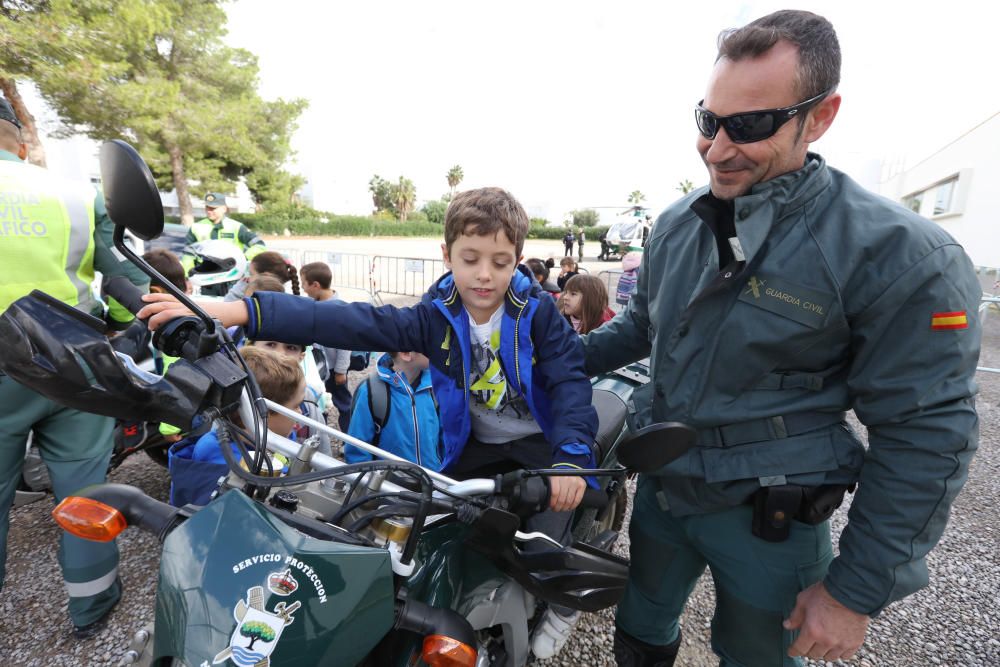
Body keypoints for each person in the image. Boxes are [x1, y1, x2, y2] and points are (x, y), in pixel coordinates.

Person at [582, 11, 981, 666]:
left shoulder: (899, 255)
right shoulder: (678, 223)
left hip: (767, 521)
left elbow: (926, 433)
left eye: (749, 125)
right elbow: (639, 328)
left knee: (759, 655)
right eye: (708, 120)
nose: (715, 148)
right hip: (664, 491)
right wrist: (530, 359)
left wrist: (853, 592)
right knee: (641, 624)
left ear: (819, 117)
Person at [140, 186, 599, 660]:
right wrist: (236, 311)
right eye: (470, 258)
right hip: (476, 441)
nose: (484, 274)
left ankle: (562, 607)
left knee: (543, 543)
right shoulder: (433, 316)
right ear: (447, 255)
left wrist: (569, 459)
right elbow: (349, 321)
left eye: (501, 262)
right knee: (446, 530)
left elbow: (569, 384)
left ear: (518, 259)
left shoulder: (540, 314)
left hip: (542, 442)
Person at [0, 96, 150, 639]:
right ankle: (92, 607)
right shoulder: (75, 194)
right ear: (18, 139)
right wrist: (124, 328)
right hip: (73, 362)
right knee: (85, 492)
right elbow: (117, 278)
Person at [168, 346, 307, 506]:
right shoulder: (222, 462)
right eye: (296, 405)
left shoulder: (274, 437)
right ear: (264, 412)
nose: (301, 412)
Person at [345, 351, 442, 471]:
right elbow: (357, 451)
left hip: (434, 481)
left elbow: (445, 438)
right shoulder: (371, 391)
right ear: (406, 353)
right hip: (390, 485)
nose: (437, 348)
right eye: (427, 344)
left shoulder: (436, 385)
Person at [300, 261, 354, 432]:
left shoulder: (338, 309)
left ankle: (352, 440)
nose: (302, 288)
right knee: (319, 404)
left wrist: (340, 370)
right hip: (318, 371)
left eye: (304, 283)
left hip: (333, 371)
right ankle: (319, 439)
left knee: (344, 405)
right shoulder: (313, 305)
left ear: (315, 285)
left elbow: (345, 344)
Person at [184, 192, 266, 296]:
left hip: (231, 280)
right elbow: (188, 255)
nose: (209, 211)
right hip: (206, 280)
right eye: (207, 207)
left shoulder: (236, 227)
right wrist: (188, 277)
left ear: (224, 208)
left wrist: (242, 258)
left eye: (213, 208)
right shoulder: (196, 227)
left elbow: (260, 245)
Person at [225, 250, 300, 301]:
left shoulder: (252, 301)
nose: (247, 278)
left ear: (266, 276)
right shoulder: (285, 302)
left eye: (251, 274)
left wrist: (239, 290)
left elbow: (227, 306)